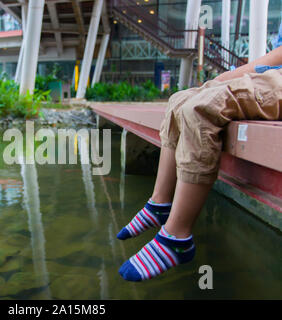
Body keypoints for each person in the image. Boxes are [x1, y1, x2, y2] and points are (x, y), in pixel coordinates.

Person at [116, 23, 282, 282]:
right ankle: (159, 203)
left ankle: (177, 235)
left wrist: (225, 79)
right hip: (272, 75)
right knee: (179, 100)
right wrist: (222, 79)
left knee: (202, 107)